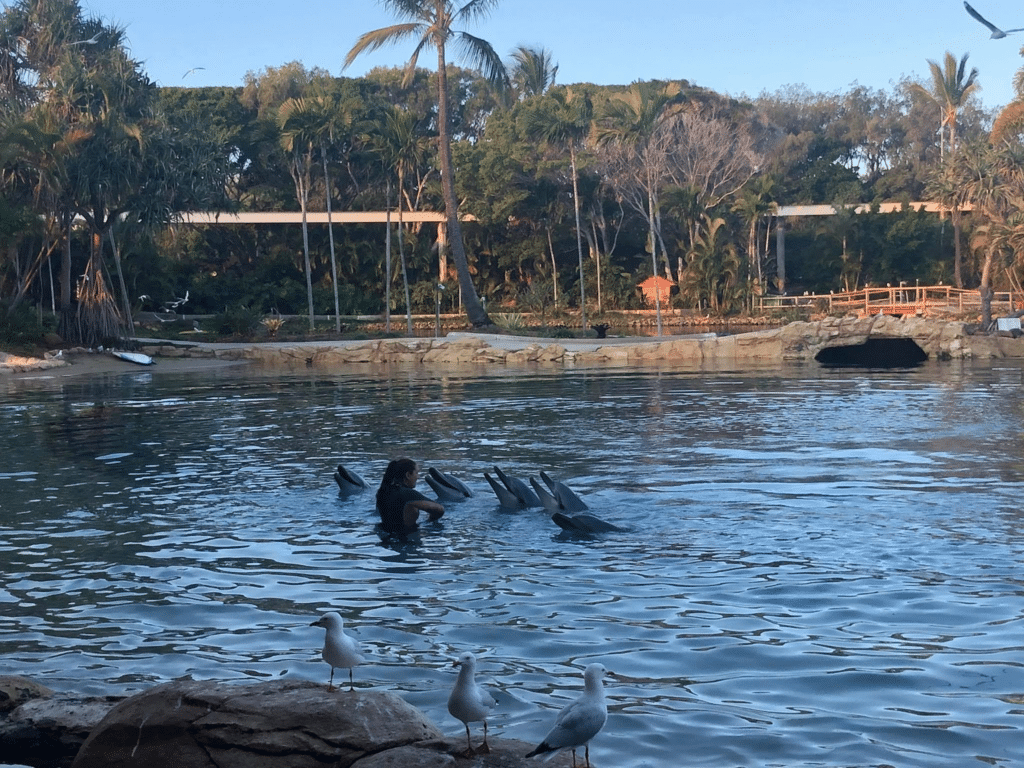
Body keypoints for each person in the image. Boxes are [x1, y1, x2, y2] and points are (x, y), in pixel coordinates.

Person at [376, 458, 445, 534]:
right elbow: (439, 509)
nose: (418, 477)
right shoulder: (408, 494)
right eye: (416, 473)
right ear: (408, 475)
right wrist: (428, 521)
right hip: (407, 538)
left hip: (385, 539)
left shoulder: (382, 493)